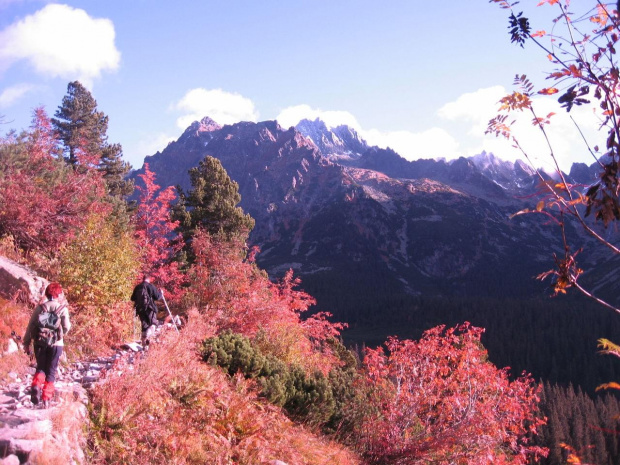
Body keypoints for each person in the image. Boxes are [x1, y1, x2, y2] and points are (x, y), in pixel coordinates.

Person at [23, 282, 71, 407]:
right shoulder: (62, 309)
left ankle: (36, 385)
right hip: (56, 344)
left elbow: (31, 326)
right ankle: (46, 399)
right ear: (59, 294)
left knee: (41, 367)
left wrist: (26, 342)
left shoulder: (40, 308)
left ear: (47, 294)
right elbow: (67, 326)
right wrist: (59, 335)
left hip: (39, 342)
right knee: (51, 370)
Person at [130, 274, 164, 347]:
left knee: (144, 325)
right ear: (149, 279)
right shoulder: (151, 286)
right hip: (150, 308)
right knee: (153, 323)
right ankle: (148, 337)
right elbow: (157, 297)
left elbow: (132, 298)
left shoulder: (138, 287)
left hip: (140, 309)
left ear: (143, 279)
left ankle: (144, 344)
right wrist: (161, 293)